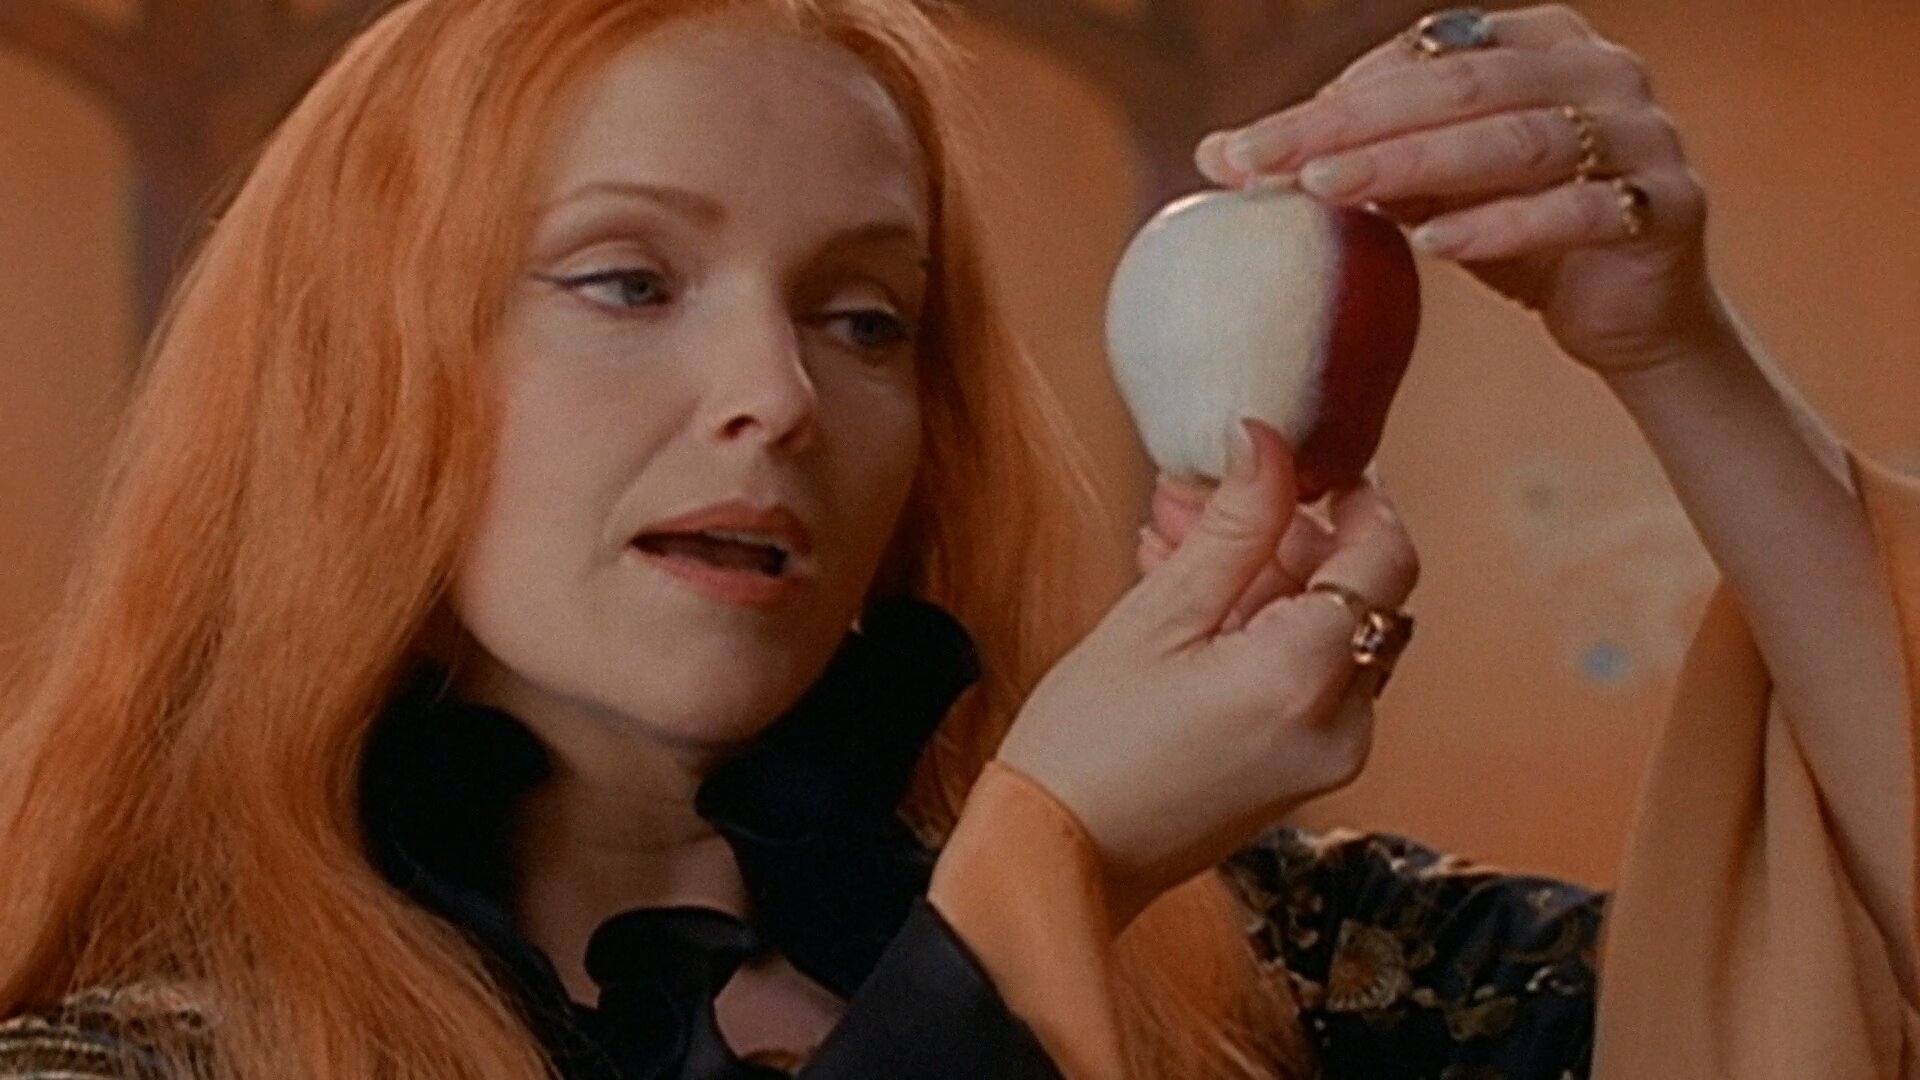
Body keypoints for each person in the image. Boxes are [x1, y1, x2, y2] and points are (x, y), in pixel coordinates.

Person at [0, 1, 1910, 1077]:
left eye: (866, 318)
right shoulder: (136, 1054)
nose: (779, 398)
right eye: (626, 280)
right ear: (352, 381)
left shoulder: (1250, 961)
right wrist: (1038, 878)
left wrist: (1678, 353)